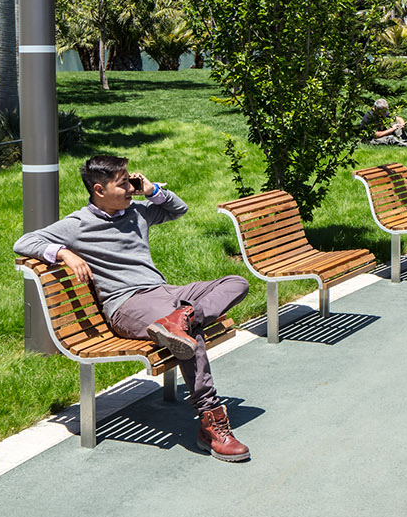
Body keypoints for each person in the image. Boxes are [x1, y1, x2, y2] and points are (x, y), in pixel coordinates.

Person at [14, 153, 252, 463]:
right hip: (127, 305)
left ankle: (182, 317)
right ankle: (210, 421)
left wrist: (151, 190)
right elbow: (24, 242)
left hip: (165, 293)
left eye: (130, 181)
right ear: (99, 190)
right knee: (190, 337)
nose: (129, 188)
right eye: (123, 183)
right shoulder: (78, 224)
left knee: (236, 283)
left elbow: (178, 209)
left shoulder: (137, 212)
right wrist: (63, 253)